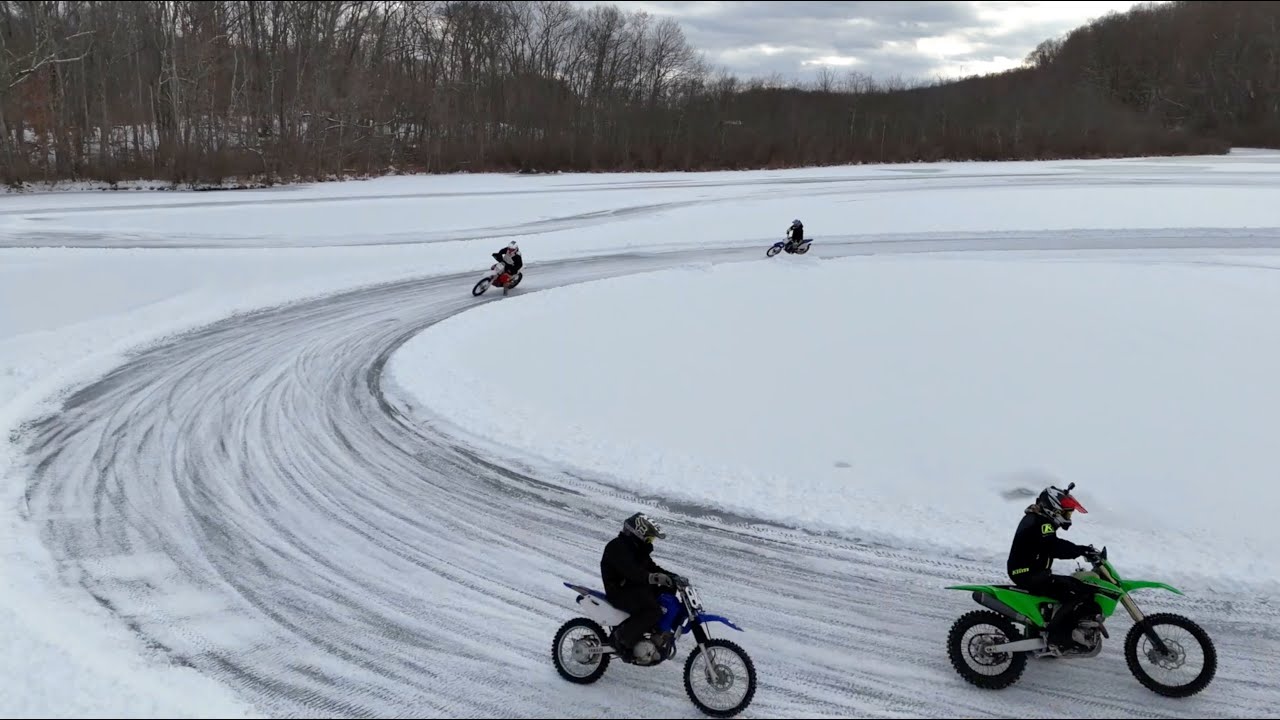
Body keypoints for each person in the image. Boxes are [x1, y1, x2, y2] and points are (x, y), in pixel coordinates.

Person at [1006, 483, 1100, 654]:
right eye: (1066, 512)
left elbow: (1049, 545)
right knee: (1076, 593)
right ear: (1054, 509)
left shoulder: (1037, 519)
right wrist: (1081, 550)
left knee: (1071, 585)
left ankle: (1041, 632)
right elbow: (1053, 547)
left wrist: (1081, 550)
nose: (1068, 517)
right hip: (1028, 574)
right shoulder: (1041, 522)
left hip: (1029, 572)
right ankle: (1057, 637)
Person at [600, 512, 683, 660]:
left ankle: (656, 633)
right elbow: (632, 571)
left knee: (666, 593)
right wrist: (653, 577)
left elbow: (652, 567)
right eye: (649, 538)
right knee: (653, 610)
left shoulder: (636, 549)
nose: (650, 542)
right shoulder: (617, 547)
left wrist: (673, 577)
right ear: (637, 533)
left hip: (634, 588)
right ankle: (621, 639)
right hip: (619, 591)